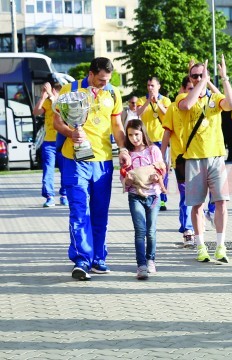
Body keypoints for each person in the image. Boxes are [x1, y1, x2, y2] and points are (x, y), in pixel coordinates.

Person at [53, 57, 131, 281]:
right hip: (75, 159)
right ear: (90, 73)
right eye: (100, 80)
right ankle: (81, 260)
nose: (103, 84)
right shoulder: (70, 90)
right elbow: (57, 122)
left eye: (106, 80)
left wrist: (123, 149)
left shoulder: (113, 93)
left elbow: (116, 125)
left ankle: (98, 258)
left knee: (99, 212)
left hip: (103, 161)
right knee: (79, 210)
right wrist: (71, 133)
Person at [177, 57, 232, 263]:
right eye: (194, 76)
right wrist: (202, 81)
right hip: (194, 159)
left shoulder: (214, 99)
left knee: (221, 203)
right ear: (190, 78)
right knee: (197, 205)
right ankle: (201, 246)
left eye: (201, 75)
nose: (198, 78)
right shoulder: (182, 98)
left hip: (216, 157)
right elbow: (188, 105)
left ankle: (220, 246)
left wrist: (223, 79)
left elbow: (231, 104)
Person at [121, 119, 164, 280]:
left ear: (143, 133)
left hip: (153, 196)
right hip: (135, 196)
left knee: (151, 231)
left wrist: (156, 176)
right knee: (140, 231)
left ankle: (150, 259)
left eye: (137, 134)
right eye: (130, 135)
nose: (134, 138)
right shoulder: (128, 154)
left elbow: (162, 169)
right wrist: (127, 181)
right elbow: (123, 175)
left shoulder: (153, 150)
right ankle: (141, 265)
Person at [161, 76, 196, 247]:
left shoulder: (201, 106)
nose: (193, 91)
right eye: (190, 88)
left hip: (201, 157)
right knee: (186, 195)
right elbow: (167, 133)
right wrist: (161, 157)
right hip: (181, 158)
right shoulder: (174, 108)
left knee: (198, 195)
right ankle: (188, 229)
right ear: (183, 90)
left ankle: (196, 226)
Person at [137, 77, 171, 211]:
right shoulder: (141, 100)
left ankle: (162, 199)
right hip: (146, 141)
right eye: (148, 85)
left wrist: (158, 103)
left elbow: (168, 115)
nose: (150, 88)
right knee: (146, 170)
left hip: (162, 140)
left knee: (163, 170)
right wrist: (147, 102)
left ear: (158, 86)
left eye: (152, 85)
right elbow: (138, 113)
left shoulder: (165, 100)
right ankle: (148, 196)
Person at [34, 81, 67, 207]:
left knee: (65, 169)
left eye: (53, 91)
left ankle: (64, 195)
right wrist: (43, 97)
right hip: (49, 141)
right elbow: (36, 112)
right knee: (48, 169)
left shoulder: (63, 102)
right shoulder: (47, 102)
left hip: (62, 140)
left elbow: (57, 108)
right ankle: (49, 196)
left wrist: (50, 94)